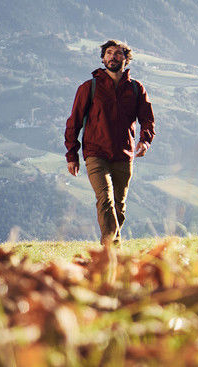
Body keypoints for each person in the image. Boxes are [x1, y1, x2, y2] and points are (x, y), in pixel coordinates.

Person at [64, 39, 155, 246]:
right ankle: (111, 252)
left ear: (126, 58)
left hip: (124, 154)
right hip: (96, 153)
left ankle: (109, 248)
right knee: (105, 200)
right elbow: (74, 123)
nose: (113, 56)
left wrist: (145, 141)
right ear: (103, 58)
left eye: (118, 53)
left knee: (119, 206)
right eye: (109, 53)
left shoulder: (135, 88)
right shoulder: (89, 87)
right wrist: (72, 155)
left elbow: (147, 118)